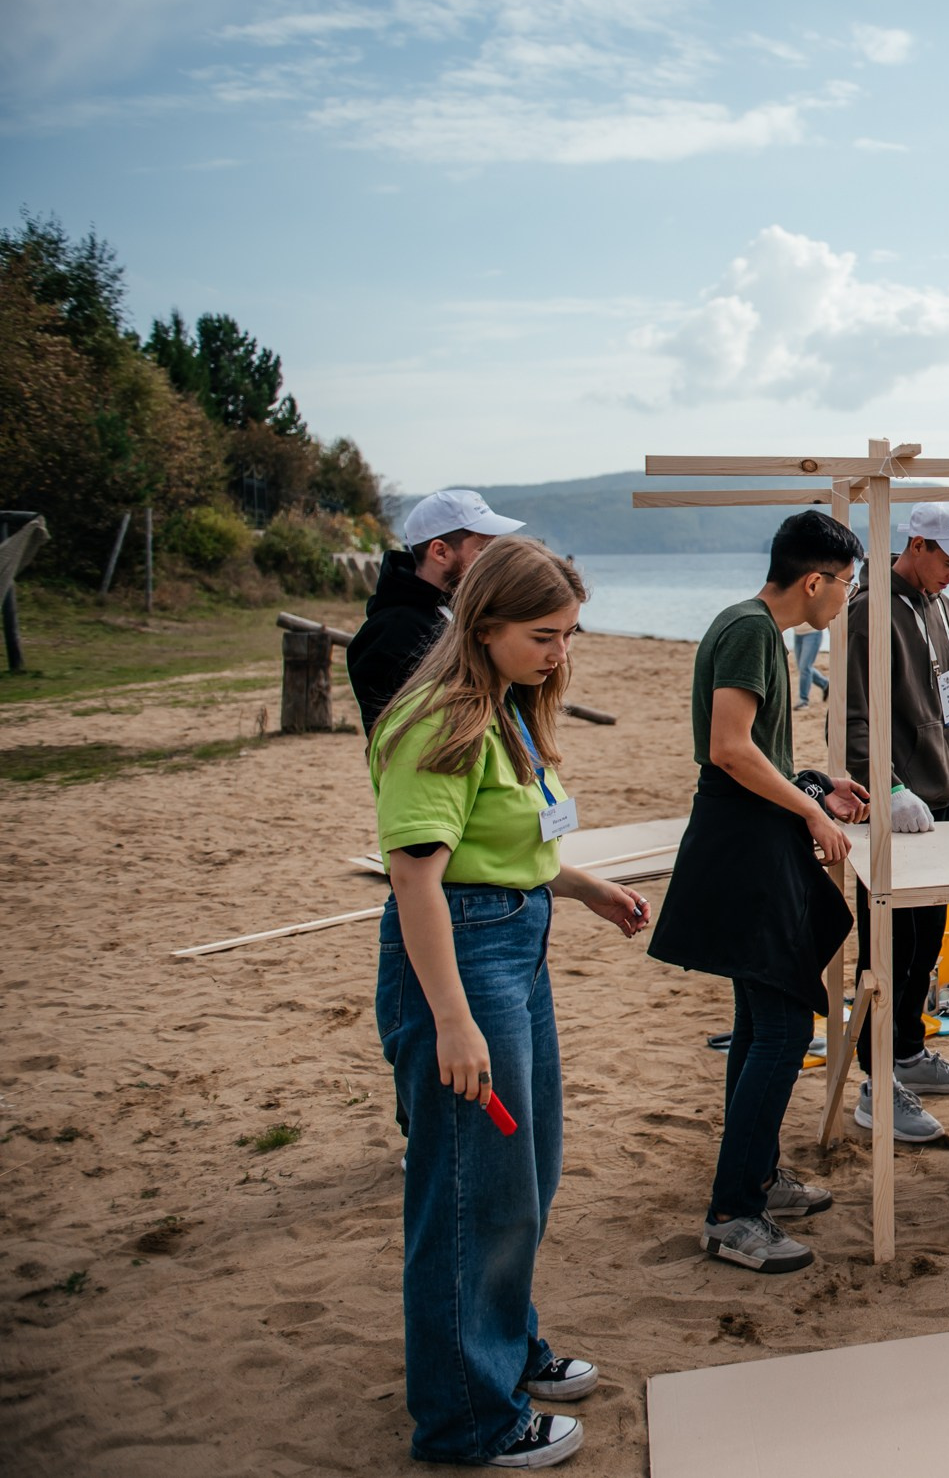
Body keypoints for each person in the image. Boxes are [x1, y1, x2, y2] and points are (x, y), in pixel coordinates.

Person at [369, 536, 650, 1469]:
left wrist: (580, 887)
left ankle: (506, 1347)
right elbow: (419, 882)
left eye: (570, 634)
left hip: (515, 940)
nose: (559, 653)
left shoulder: (508, 709)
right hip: (462, 958)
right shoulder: (437, 719)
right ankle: (466, 1419)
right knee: (469, 1193)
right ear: (482, 625)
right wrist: (452, 1017)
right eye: (543, 634)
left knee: (523, 1178)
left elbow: (509, 843)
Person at [647, 512, 871, 1275]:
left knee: (757, 1026)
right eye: (845, 583)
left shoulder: (750, 628)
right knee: (780, 1032)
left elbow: (757, 753)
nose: (846, 598)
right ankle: (731, 1213)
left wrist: (814, 782)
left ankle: (757, 1181)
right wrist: (811, 809)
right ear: (814, 580)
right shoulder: (750, 631)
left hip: (748, 835)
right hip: (744, 849)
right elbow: (728, 749)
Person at [841, 500, 949, 1144]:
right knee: (888, 950)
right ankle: (878, 1088)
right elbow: (849, 717)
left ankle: (906, 1054)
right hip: (895, 812)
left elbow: (944, 703)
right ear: (917, 545)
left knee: (925, 944)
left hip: (941, 802)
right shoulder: (866, 611)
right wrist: (890, 787)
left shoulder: (941, 605)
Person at [351, 489, 525, 735]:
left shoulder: (450, 610)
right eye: (483, 551)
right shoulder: (392, 632)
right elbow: (413, 734)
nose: (493, 564)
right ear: (440, 551)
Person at [787, 627, 830, 709]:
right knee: (803, 668)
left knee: (805, 667)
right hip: (798, 634)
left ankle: (803, 700)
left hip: (813, 633)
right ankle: (825, 684)